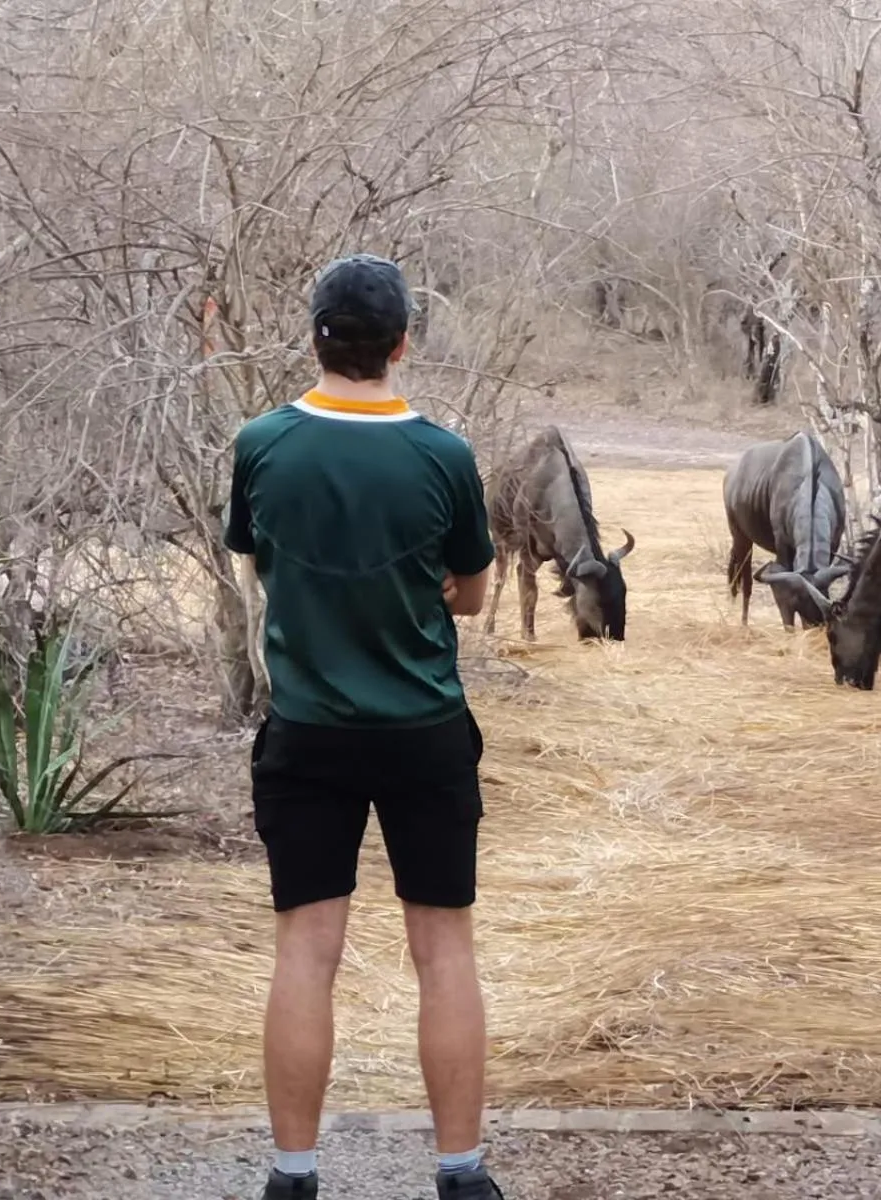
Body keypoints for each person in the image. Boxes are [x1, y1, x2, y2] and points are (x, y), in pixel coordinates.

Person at [224, 253, 505, 1200]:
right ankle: (460, 1174)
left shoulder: (261, 442)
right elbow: (470, 593)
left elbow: (262, 566)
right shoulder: (444, 455)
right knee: (444, 948)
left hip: (306, 730)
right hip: (424, 729)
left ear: (315, 338)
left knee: (306, 949)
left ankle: (293, 1176)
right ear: (402, 345)